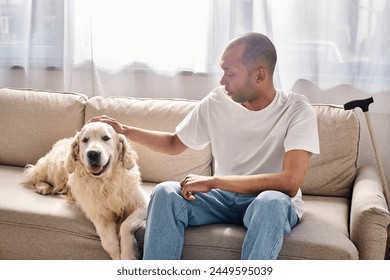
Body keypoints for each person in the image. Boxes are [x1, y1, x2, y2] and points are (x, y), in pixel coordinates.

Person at [90, 32, 320, 260]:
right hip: (223, 199)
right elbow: (174, 143)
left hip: (268, 200)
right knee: (165, 193)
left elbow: (289, 183)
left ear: (260, 75)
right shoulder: (217, 102)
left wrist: (213, 182)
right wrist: (125, 131)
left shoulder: (297, 110)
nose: (222, 81)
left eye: (230, 73)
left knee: (272, 204)